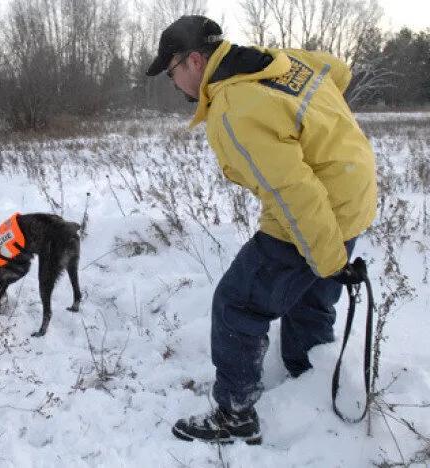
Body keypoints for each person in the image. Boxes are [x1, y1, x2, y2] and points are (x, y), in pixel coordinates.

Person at [146, 15, 377, 445]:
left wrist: (330, 262)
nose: (174, 83)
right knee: (307, 301)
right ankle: (309, 385)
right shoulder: (275, 61)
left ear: (195, 61)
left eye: (173, 71)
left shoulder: (235, 108)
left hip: (319, 209)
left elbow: (294, 193)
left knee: (237, 303)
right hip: (352, 194)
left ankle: (235, 413)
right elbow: (337, 72)